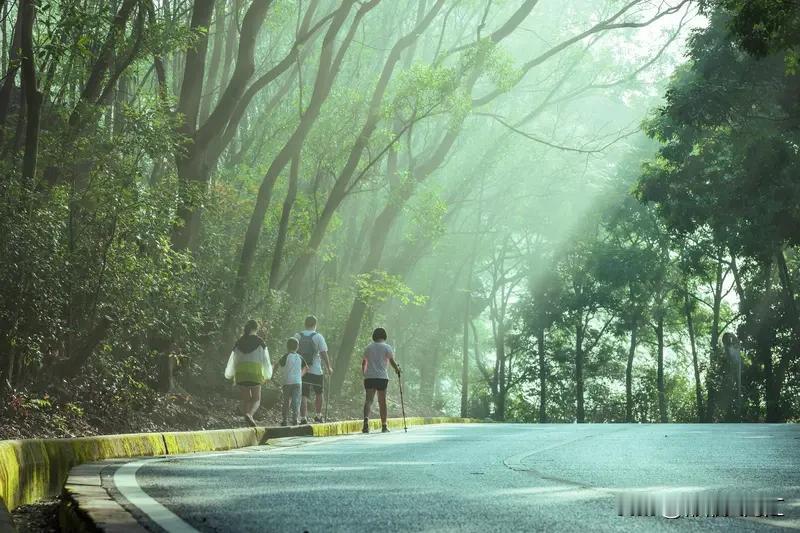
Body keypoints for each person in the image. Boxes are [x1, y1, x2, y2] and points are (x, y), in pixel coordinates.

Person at [224, 319, 271, 427]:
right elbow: (266, 360)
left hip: (241, 374)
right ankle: (250, 415)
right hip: (255, 373)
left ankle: (247, 423)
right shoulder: (260, 342)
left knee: (246, 399)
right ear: (256, 329)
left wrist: (230, 374)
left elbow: (233, 359)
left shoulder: (239, 342)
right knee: (256, 399)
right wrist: (267, 374)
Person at [361, 327, 400, 434]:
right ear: (384, 336)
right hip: (382, 377)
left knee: (368, 400)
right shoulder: (387, 347)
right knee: (382, 401)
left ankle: (365, 422)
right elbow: (391, 361)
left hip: (369, 377)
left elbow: (364, 362)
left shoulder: (368, 347)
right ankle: (384, 425)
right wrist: (397, 369)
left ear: (374, 336)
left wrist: (364, 373)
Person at [296, 315, 333, 423]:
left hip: (302, 370)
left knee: (303, 394)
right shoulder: (318, 337)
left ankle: (303, 417)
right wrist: (328, 367)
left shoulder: (297, 336)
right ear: (315, 325)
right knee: (319, 393)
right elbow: (323, 353)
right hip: (316, 370)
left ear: (305, 324)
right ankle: (318, 415)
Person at [273, 337, 308, 426]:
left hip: (287, 382)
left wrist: (272, 376)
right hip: (297, 382)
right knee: (296, 400)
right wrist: (300, 375)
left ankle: (284, 420)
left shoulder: (286, 356)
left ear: (287, 347)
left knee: (286, 400)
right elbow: (306, 368)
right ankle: (295, 419)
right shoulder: (300, 357)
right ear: (297, 347)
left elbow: (277, 365)